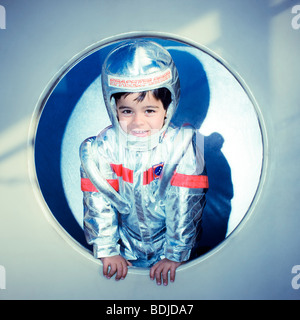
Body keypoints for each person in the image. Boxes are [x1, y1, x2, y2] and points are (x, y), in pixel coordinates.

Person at [80, 39, 208, 286]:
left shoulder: (181, 148)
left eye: (149, 111)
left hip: (172, 251)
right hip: (124, 249)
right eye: (127, 111)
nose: (138, 122)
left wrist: (176, 255)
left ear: (167, 108)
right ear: (113, 108)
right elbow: (98, 202)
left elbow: (184, 205)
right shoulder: (103, 148)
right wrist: (107, 248)